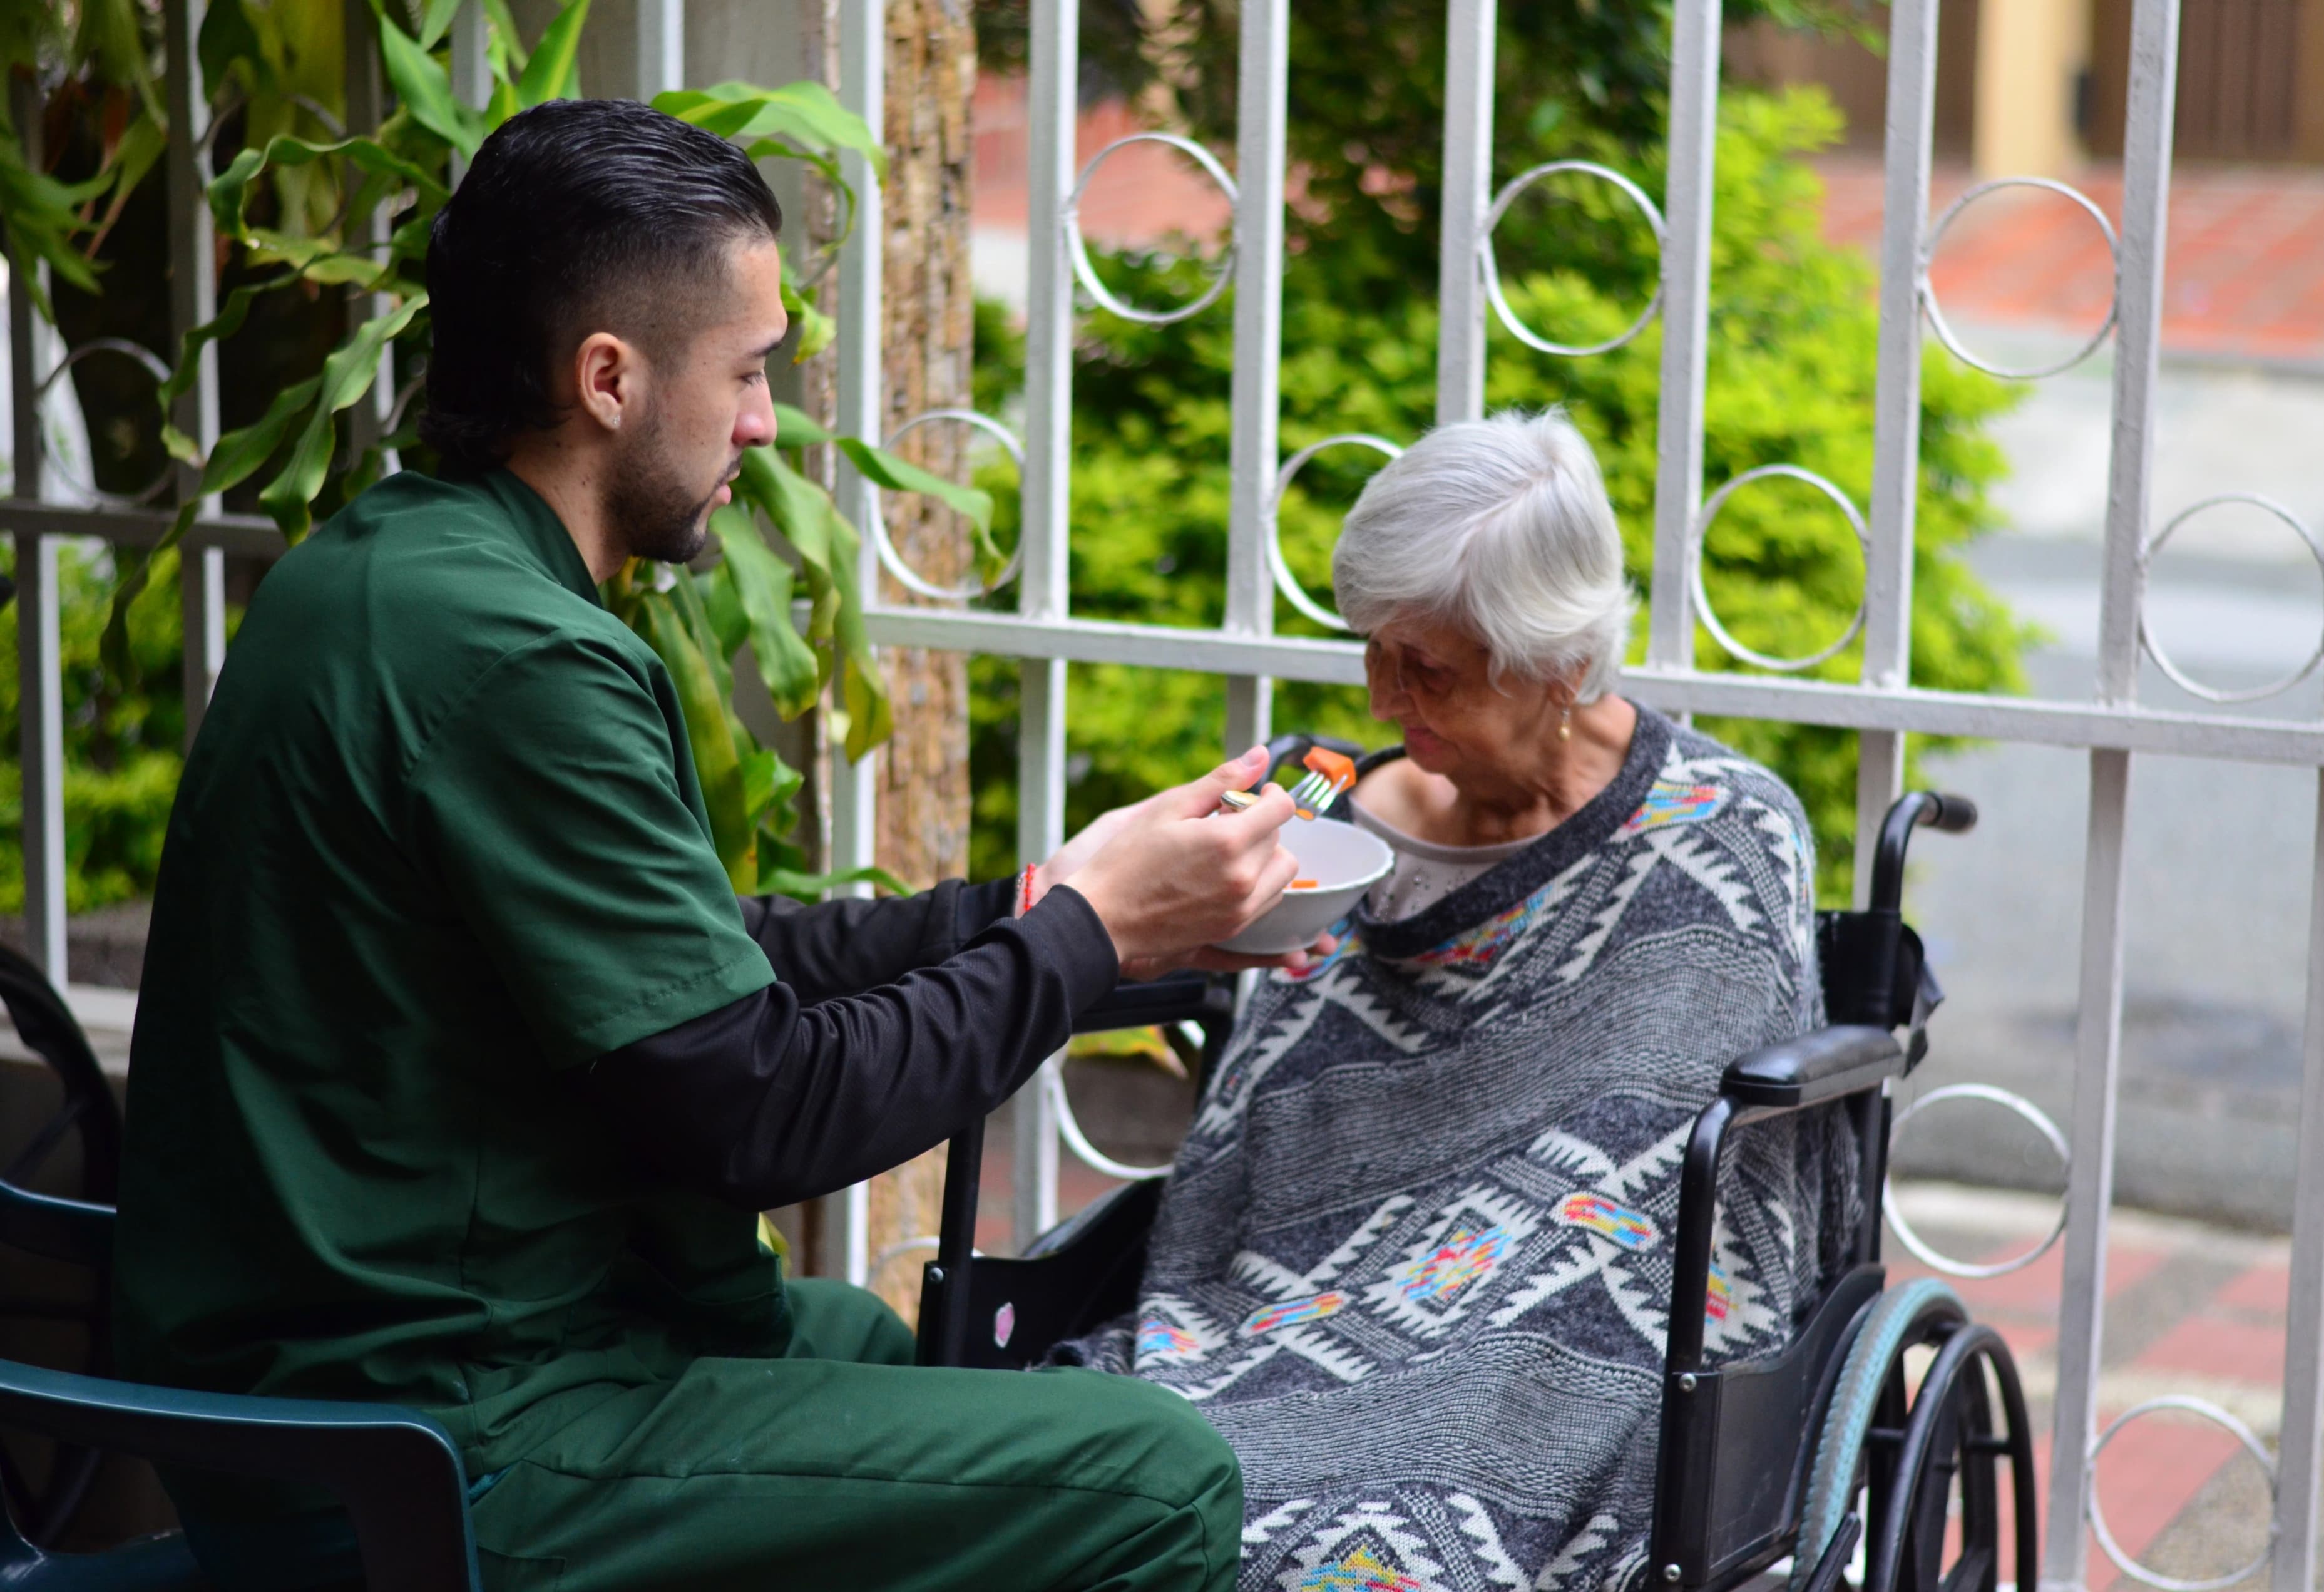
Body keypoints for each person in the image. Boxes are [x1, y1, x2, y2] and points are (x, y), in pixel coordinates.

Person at [112, 99, 1307, 1592]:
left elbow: (692, 962)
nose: (763, 421)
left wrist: (1030, 903)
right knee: (1160, 1482)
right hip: (419, 1439)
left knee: (871, 1339)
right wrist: (1089, 941)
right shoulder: (516, 658)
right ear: (609, 378)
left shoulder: (389, 561)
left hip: (349, 1368)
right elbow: (757, 1113)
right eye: (746, 370)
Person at [1055, 412, 1861, 1592]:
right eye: (1373, 650)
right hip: (1260, 1309)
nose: (1384, 698)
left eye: (1427, 668)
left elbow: (1689, 1199)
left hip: (1559, 1345)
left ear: (1560, 664)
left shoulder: (1722, 839)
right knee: (1110, 1484)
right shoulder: (1316, 816)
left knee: (1382, 1541)